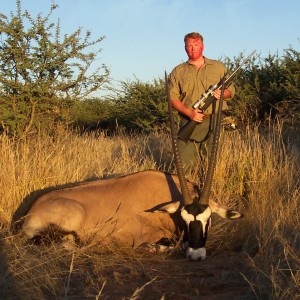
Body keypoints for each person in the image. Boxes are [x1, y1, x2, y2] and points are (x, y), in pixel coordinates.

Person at [168, 32, 235, 173]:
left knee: (211, 166)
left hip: (214, 121)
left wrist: (223, 94)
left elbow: (231, 91)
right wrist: (190, 113)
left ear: (203, 46)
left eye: (196, 45)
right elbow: (172, 98)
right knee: (182, 167)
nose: (192, 49)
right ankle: (182, 193)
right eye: (189, 46)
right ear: (185, 48)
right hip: (189, 120)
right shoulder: (178, 71)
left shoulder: (218, 67)